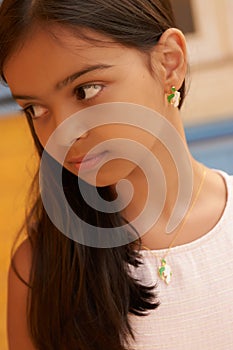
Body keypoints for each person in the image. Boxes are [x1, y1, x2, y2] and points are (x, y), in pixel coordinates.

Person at [1, 0, 233, 349]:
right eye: (35, 109)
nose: (64, 133)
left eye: (86, 90)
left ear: (170, 62)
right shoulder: (40, 274)